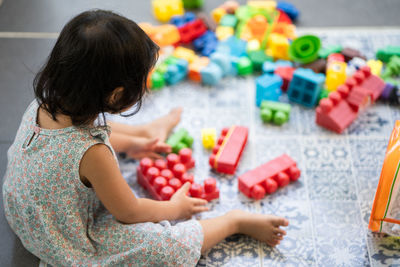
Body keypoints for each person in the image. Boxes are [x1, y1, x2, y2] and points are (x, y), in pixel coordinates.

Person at [2, 10, 289, 266]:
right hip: (61, 237)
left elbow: (81, 140)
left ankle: (145, 132)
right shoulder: (93, 153)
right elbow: (129, 211)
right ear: (116, 95)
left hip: (24, 213)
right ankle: (232, 222)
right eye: (142, 82)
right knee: (162, 248)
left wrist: (137, 143)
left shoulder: (46, 104)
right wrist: (175, 208)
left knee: (90, 130)